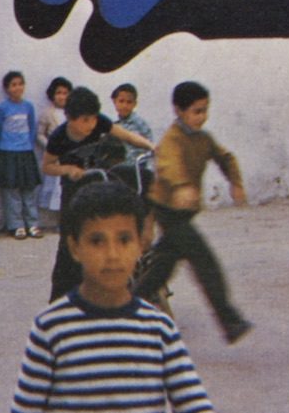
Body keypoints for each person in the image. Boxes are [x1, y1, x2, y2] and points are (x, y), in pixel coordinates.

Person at [11, 181, 215, 413]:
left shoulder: (158, 329)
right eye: (97, 241)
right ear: (75, 247)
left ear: (140, 245)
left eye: (124, 240)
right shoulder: (51, 328)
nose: (112, 255)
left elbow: (194, 404)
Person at [134, 81, 253, 344]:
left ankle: (125, 310)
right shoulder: (171, 140)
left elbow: (225, 157)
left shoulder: (203, 138)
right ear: (179, 110)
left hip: (184, 212)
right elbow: (168, 164)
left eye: (205, 110)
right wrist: (182, 187)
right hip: (169, 211)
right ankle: (229, 321)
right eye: (196, 111)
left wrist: (235, 182)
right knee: (205, 263)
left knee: (161, 269)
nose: (202, 116)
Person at [43, 87, 154, 300]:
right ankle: (58, 302)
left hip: (99, 181)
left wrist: (150, 146)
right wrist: (67, 170)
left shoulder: (99, 122)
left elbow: (127, 136)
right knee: (68, 247)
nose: (91, 125)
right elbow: (47, 166)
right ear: (69, 118)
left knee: (143, 181)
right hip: (74, 190)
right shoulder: (59, 137)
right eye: (84, 120)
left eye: (93, 119)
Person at [0, 70, 43, 240]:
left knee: (29, 189)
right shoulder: (3, 108)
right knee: (11, 191)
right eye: (13, 85)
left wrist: (26, 144)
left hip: (26, 152)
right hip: (8, 152)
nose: (17, 87)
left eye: (20, 83)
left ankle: (33, 223)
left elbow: (32, 128)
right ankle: (16, 225)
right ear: (7, 89)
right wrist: (5, 145)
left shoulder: (28, 106)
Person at [36, 76, 72, 220]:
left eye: (65, 93)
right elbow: (40, 134)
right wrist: (51, 147)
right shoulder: (48, 113)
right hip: (55, 158)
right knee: (56, 188)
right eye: (58, 93)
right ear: (52, 95)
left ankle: (69, 218)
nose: (62, 96)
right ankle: (58, 220)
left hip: (70, 157)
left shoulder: (72, 113)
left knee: (69, 187)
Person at [111, 83, 155, 160]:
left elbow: (150, 151)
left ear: (135, 104)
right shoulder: (113, 124)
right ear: (114, 101)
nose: (125, 105)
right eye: (121, 101)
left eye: (129, 102)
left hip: (137, 167)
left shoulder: (140, 124)